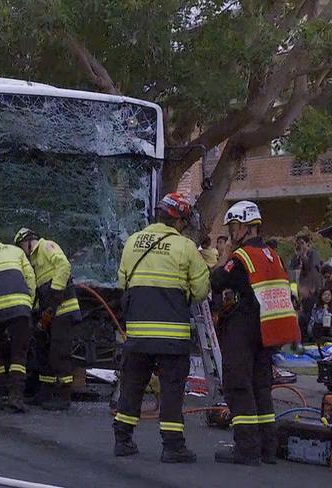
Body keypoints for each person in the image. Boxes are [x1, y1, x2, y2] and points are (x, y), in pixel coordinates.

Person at [112, 192, 210, 463]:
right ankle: (173, 446)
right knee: (172, 390)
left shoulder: (132, 242)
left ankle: (122, 439)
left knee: (132, 386)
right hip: (172, 336)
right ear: (179, 219)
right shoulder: (185, 247)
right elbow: (201, 290)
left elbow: (122, 284)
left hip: (138, 334)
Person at [212, 200, 300, 465]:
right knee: (262, 388)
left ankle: (247, 449)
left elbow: (216, 282)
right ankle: (267, 448)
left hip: (244, 328)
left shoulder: (241, 257)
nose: (230, 233)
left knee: (239, 386)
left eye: (233, 227)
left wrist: (226, 254)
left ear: (246, 227)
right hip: (268, 330)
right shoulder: (274, 255)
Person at [14, 228, 81, 411]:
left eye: (21, 246)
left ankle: (63, 395)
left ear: (27, 241)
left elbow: (64, 265)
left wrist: (57, 290)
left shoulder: (46, 246)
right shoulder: (33, 261)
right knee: (44, 352)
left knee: (59, 353)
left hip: (63, 309)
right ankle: (45, 392)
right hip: (50, 313)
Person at [0, 230, 36, 413]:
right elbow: (31, 278)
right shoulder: (15, 250)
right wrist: (29, 304)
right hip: (21, 307)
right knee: (19, 354)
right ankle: (16, 398)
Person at [295, 234, 322, 299]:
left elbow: (312, 269)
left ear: (307, 243)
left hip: (312, 286)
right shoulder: (298, 256)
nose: (300, 245)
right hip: (303, 286)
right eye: (298, 243)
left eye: (302, 243)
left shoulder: (313, 253)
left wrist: (304, 256)